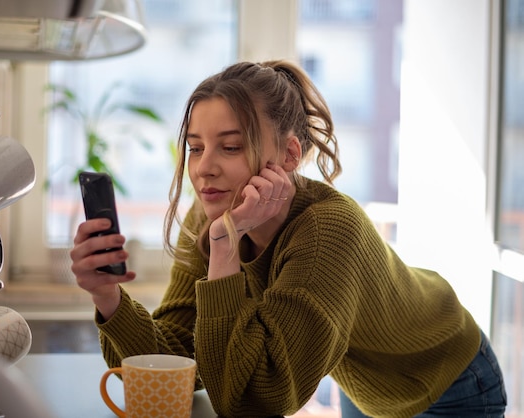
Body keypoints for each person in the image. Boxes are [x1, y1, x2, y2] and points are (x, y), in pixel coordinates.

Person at [70, 60, 507, 417]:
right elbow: (186, 361)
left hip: (449, 377)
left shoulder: (327, 231)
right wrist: (108, 296)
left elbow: (257, 399)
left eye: (231, 146)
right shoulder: (211, 220)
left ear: (290, 154)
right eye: (196, 147)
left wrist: (224, 248)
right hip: (364, 387)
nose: (203, 168)